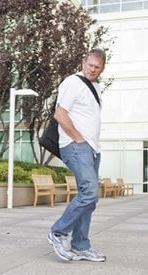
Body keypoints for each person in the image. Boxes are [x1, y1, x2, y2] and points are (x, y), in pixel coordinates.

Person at [47, 49, 106, 262]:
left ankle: (81, 245)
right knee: (89, 192)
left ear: (102, 69)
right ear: (83, 62)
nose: (93, 69)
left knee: (90, 199)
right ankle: (58, 232)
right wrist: (78, 138)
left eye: (97, 67)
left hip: (91, 148)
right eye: (90, 65)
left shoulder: (96, 88)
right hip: (76, 145)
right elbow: (59, 113)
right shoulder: (72, 82)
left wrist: (91, 145)